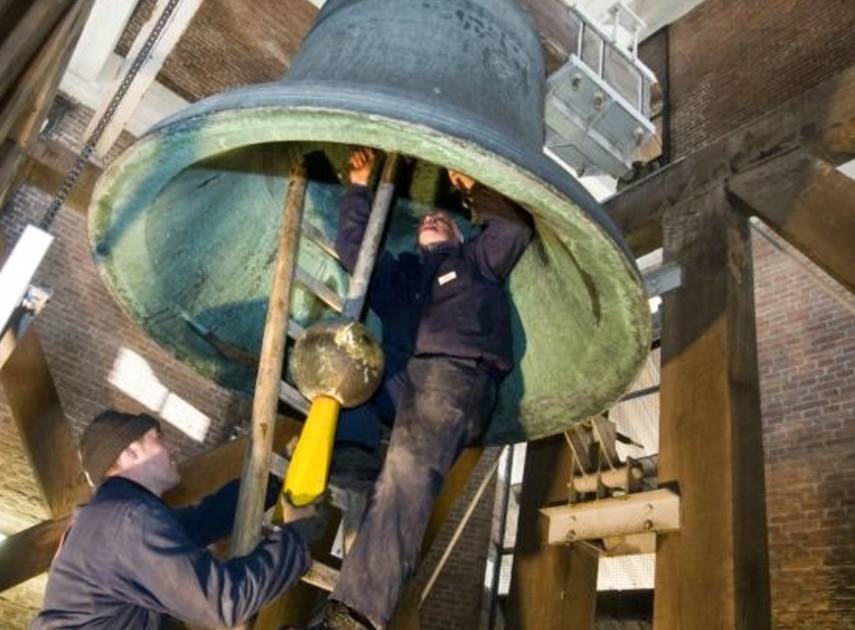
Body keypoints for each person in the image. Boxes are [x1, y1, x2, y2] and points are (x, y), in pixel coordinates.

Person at [321, 148, 535, 629]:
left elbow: (513, 229)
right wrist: (360, 187)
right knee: (343, 366)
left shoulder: (476, 260)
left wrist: (474, 189)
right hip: (405, 382)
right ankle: (354, 456)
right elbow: (356, 252)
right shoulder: (402, 278)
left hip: (454, 378)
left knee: (407, 475)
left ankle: (356, 615)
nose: (433, 218)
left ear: (460, 234)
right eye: (426, 219)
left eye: (444, 219)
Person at [32, 410, 323, 629]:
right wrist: (296, 535)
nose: (173, 449)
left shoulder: (113, 520)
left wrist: (276, 478)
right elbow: (224, 602)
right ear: (130, 452)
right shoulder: (127, 521)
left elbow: (206, 520)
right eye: (158, 438)